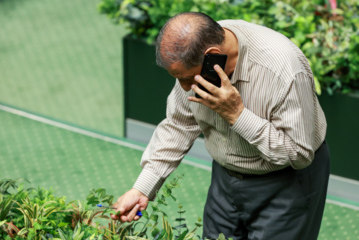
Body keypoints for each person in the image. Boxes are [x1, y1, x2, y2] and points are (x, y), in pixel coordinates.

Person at [111, 12, 330, 240]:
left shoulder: (283, 69)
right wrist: (142, 188)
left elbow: (298, 153)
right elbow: (179, 124)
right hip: (225, 180)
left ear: (213, 57)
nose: (185, 87)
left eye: (187, 78)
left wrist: (237, 114)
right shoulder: (199, 53)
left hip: (286, 184)